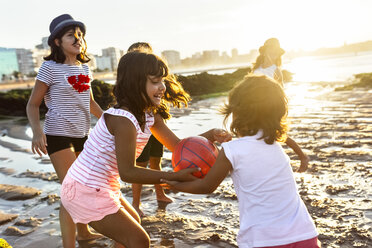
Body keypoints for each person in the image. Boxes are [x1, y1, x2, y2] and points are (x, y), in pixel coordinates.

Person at [59, 52, 231, 248]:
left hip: (101, 185)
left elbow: (177, 146)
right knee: (139, 240)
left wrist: (210, 135)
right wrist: (173, 176)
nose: (162, 87)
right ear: (135, 84)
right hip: (86, 188)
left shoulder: (149, 115)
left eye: (163, 81)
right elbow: (128, 172)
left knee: (132, 226)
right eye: (155, 81)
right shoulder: (123, 121)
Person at [163, 75, 320, 248]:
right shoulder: (274, 143)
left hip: (262, 239)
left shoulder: (232, 150)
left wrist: (173, 184)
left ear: (236, 113)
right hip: (305, 234)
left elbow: (205, 186)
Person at [26, 14, 103, 247]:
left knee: (85, 186)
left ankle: (84, 233)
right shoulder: (49, 68)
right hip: (58, 135)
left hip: (83, 135)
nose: (78, 39)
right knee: (72, 189)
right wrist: (38, 133)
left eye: (80, 35)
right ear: (57, 42)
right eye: (71, 35)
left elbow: (89, 103)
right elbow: (32, 104)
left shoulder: (85, 68)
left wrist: (111, 120)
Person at [126, 42, 174, 217]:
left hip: (153, 124)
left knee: (156, 161)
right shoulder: (128, 114)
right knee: (141, 164)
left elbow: (176, 144)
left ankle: (160, 194)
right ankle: (135, 203)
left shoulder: (156, 80)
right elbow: (128, 171)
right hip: (142, 129)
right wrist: (177, 177)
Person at [252, 38, 309, 172]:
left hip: (271, 107)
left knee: (276, 133)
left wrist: (279, 109)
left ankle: (302, 156)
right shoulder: (256, 68)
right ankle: (265, 164)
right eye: (271, 51)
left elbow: (281, 91)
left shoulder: (275, 69)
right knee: (258, 135)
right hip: (255, 107)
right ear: (265, 51)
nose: (273, 55)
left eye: (276, 53)